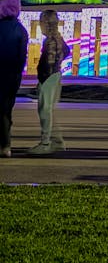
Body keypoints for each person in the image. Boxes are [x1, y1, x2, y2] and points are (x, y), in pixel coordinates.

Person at [29, 10, 70, 155]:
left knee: (44, 111)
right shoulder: (57, 38)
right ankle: (57, 142)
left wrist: (43, 77)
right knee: (49, 111)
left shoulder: (50, 41)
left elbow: (48, 62)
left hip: (49, 77)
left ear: (46, 24)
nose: (40, 25)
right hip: (55, 75)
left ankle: (45, 143)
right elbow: (67, 51)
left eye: (41, 22)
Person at [0, 0, 28, 157]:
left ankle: (3, 143)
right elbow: (22, 57)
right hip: (12, 77)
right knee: (6, 110)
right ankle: (6, 146)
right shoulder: (21, 30)